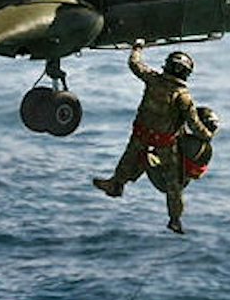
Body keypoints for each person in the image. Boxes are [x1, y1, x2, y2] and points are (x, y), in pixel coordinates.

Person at [93, 41, 197, 199]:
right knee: (172, 181)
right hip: (164, 142)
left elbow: (134, 63)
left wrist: (137, 47)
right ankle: (175, 218)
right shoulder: (183, 96)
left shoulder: (153, 79)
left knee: (127, 160)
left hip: (143, 134)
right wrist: (207, 134)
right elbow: (194, 123)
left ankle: (116, 184)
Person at [145, 104, 218, 234]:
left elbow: (173, 137)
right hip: (179, 180)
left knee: (140, 151)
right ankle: (174, 220)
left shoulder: (192, 144)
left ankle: (118, 182)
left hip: (164, 179)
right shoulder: (206, 148)